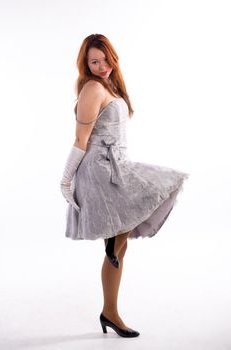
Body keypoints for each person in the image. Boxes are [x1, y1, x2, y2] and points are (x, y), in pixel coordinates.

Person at [60, 33, 189, 338]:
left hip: (116, 166)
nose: (101, 65)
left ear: (112, 57)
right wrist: (66, 179)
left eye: (105, 59)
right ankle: (111, 310)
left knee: (120, 246)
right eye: (94, 61)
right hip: (100, 171)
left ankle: (109, 311)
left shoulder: (110, 85)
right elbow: (80, 141)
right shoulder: (92, 88)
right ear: (86, 64)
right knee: (119, 240)